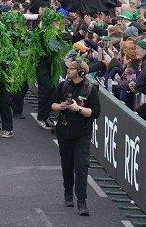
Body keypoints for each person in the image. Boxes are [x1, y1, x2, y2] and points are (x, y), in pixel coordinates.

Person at [52, 59, 100, 217]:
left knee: (81, 167)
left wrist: (78, 108)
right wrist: (62, 107)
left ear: (80, 72)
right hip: (64, 131)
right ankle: (68, 192)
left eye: (71, 68)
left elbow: (95, 113)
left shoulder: (90, 89)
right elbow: (53, 104)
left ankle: (82, 201)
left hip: (82, 133)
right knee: (66, 165)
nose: (67, 70)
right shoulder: (63, 85)